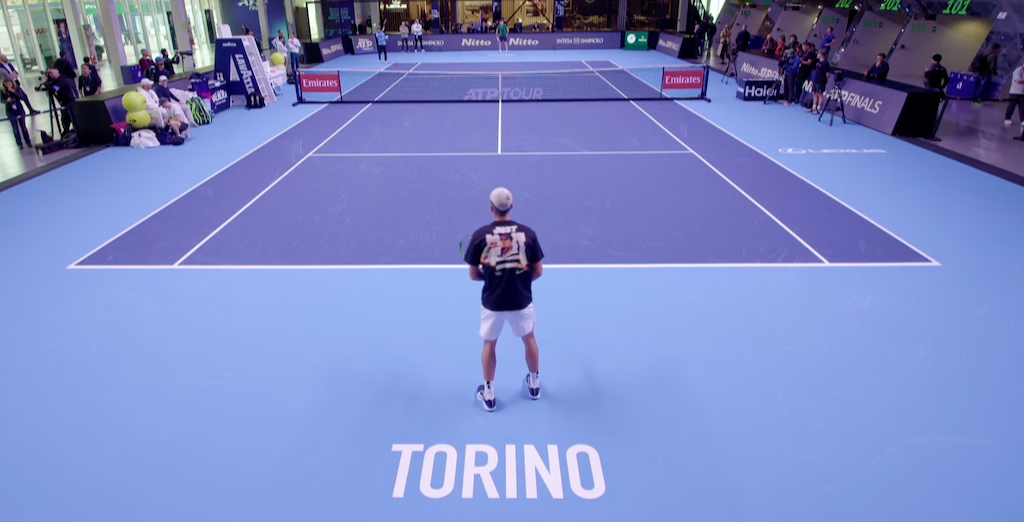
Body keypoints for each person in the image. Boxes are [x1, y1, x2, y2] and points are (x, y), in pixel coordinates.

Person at [463, 188, 544, 412]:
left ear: (491, 208)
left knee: (489, 344)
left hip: (493, 302)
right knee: (529, 338)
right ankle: (534, 383)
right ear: (512, 206)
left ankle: (488, 394)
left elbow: (473, 274)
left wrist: (492, 279)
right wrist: (520, 282)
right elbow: (538, 271)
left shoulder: (480, 236)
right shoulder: (528, 234)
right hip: (521, 300)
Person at [42, 68, 77, 135]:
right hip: (63, 103)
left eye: (51, 73)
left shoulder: (61, 80)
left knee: (72, 118)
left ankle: (75, 133)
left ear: (57, 73)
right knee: (64, 119)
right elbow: (51, 87)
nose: (50, 75)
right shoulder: (55, 81)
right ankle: (66, 132)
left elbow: (54, 89)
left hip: (69, 102)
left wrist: (45, 83)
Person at [3, 78, 33, 149]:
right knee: (15, 128)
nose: (8, 85)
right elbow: (2, 100)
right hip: (10, 111)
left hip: (19, 110)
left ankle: (28, 142)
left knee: (23, 127)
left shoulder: (17, 89)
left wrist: (13, 91)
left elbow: (22, 97)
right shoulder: (3, 91)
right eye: (7, 84)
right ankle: (19, 144)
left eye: (10, 83)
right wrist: (7, 101)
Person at [1004, 60, 1024, 127]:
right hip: (1014, 92)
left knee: (1022, 107)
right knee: (1011, 106)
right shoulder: (1017, 70)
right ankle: (1007, 118)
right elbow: (1018, 80)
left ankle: (1023, 120)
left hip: (1022, 92)